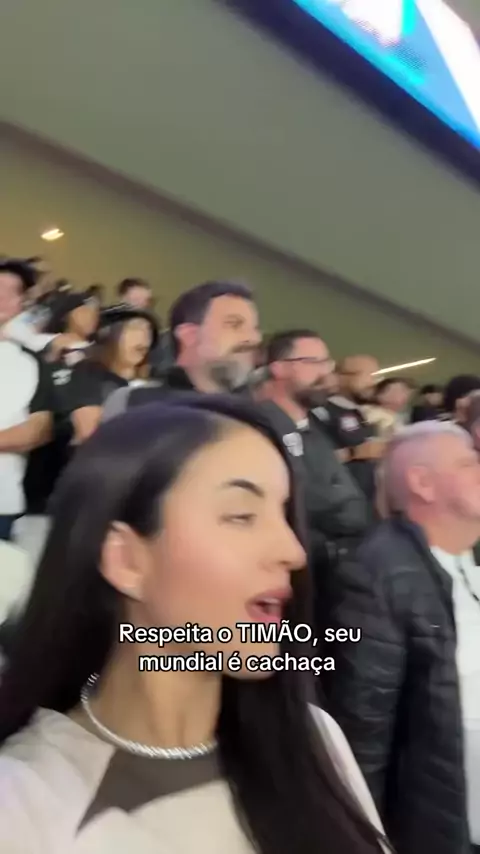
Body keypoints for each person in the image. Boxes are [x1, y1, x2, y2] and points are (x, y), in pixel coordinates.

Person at [0, 395, 389, 854]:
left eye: (285, 516)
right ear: (126, 560)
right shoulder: (23, 802)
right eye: (241, 516)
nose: (293, 551)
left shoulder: (315, 738)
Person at [323, 421, 480, 854]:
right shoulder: (378, 575)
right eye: (468, 462)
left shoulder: (462, 557)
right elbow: (362, 733)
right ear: (422, 483)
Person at [102, 280, 261, 418]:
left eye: (255, 328)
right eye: (234, 324)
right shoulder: (134, 405)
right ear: (189, 335)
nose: (255, 338)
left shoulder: (259, 418)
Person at [0, 259, 53, 541]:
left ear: (21, 303)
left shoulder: (32, 362)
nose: (3, 298)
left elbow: (39, 429)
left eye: (13, 292)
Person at [68, 304, 159, 443]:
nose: (145, 336)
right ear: (108, 334)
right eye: (135, 327)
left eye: (148, 330)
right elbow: (89, 433)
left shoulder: (153, 381)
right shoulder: (88, 374)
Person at [323, 355, 385, 503]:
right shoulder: (321, 411)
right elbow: (309, 460)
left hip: (365, 501)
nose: (373, 383)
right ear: (341, 377)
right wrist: (354, 452)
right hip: (337, 504)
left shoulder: (359, 413)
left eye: (375, 376)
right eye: (368, 375)